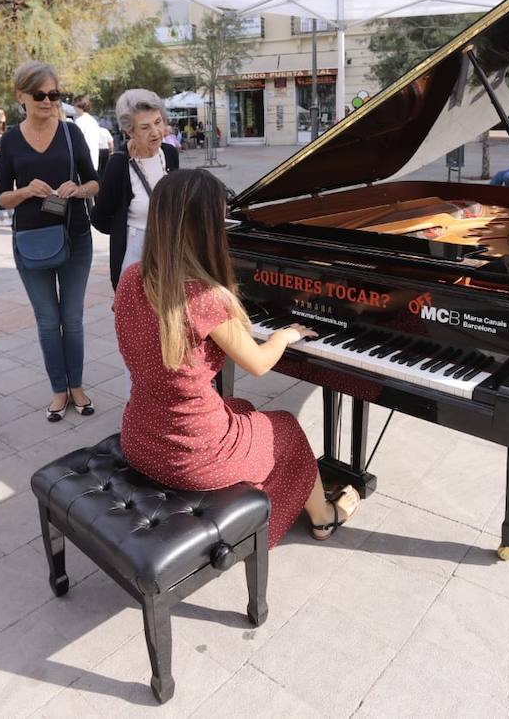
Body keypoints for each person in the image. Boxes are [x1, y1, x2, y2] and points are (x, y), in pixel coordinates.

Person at [115, 170, 359, 546]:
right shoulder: (203, 297)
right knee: (285, 427)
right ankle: (324, 517)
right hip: (189, 460)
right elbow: (259, 364)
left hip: (140, 438)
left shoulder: (131, 277)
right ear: (206, 227)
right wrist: (284, 335)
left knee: (241, 407)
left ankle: (275, 490)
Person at [0, 61, 101, 421]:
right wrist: (24, 191)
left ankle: (77, 386)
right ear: (20, 96)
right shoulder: (10, 141)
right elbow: (0, 198)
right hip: (31, 241)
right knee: (47, 320)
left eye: (54, 95)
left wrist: (78, 189)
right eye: (39, 94)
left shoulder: (71, 133)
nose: (47, 101)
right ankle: (59, 389)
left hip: (75, 235)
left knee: (72, 318)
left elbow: (94, 182)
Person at [91, 89, 180, 289]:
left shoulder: (170, 153)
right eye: (145, 127)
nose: (155, 132)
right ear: (130, 131)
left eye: (158, 122)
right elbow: (100, 218)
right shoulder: (118, 164)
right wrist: (124, 229)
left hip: (170, 251)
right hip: (135, 255)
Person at [73, 95, 104, 172]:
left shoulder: (79, 121)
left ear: (77, 106)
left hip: (83, 160)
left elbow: (76, 142)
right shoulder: (93, 120)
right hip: (94, 159)